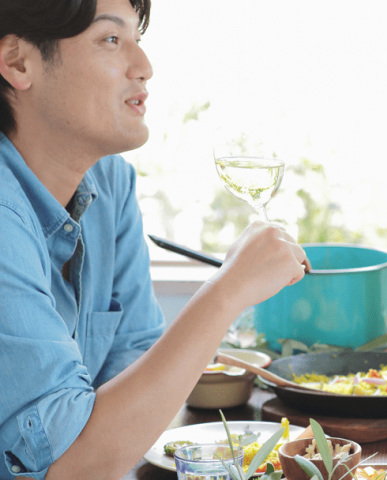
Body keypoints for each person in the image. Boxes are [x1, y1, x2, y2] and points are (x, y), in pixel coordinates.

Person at [0, 0, 309, 479]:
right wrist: (228, 290)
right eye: (110, 39)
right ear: (19, 62)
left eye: (137, 41)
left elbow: (136, 374)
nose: (144, 68)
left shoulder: (109, 183)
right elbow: (71, 466)